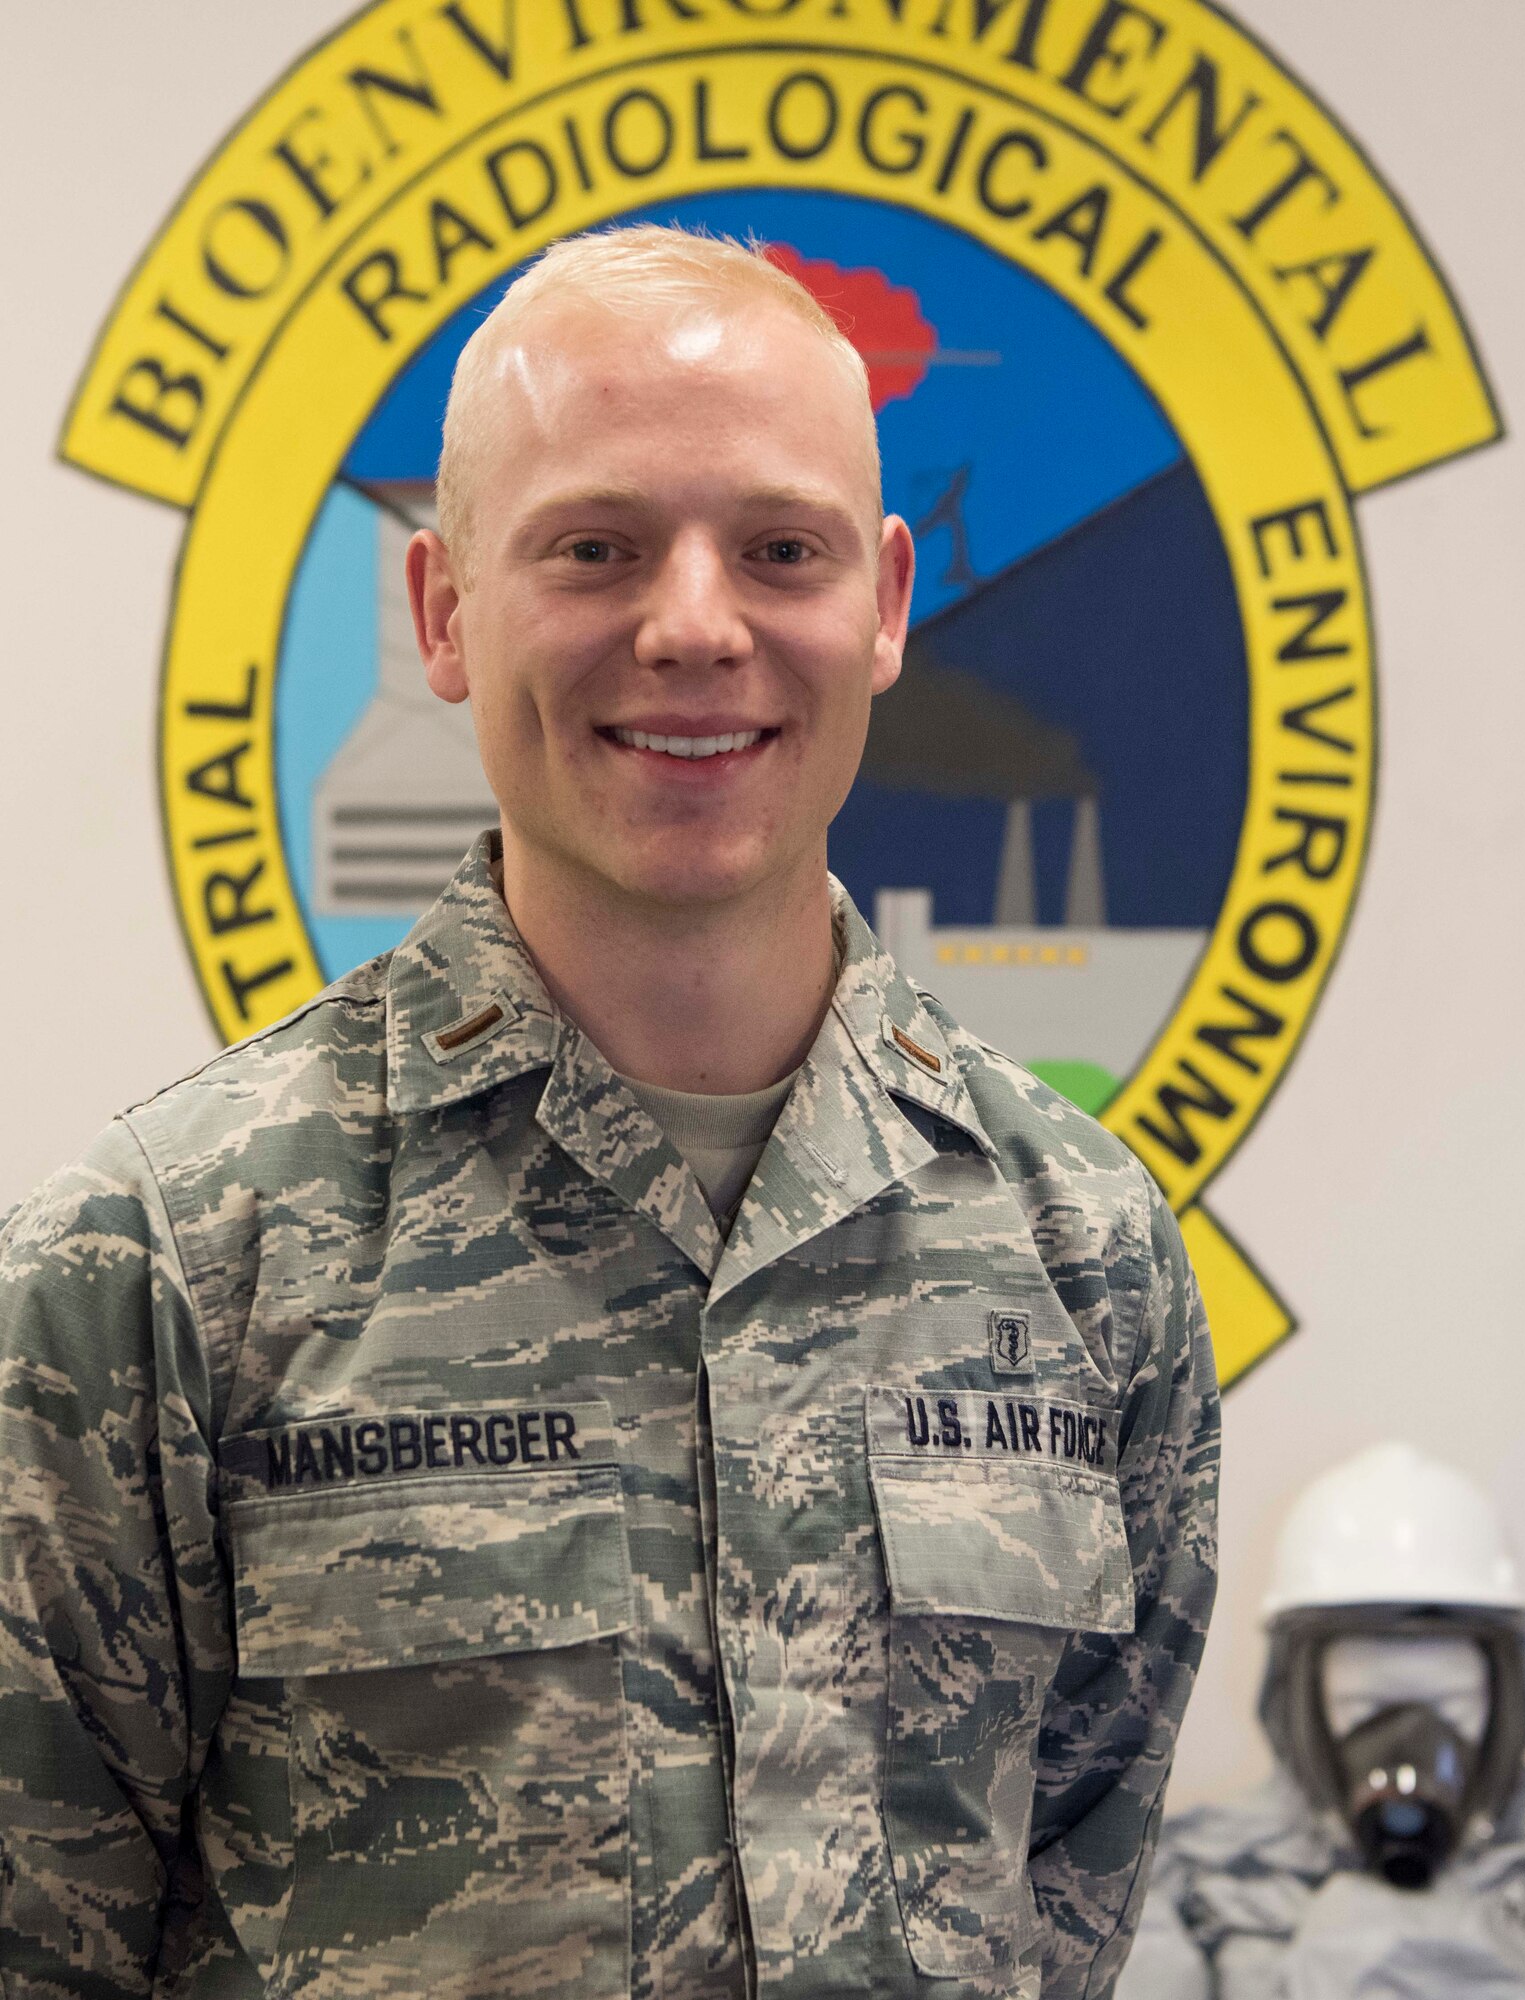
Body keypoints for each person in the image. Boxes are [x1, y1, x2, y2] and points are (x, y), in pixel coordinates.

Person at [0, 224, 1219, 1998]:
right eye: (598, 546)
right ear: (441, 610)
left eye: (779, 549)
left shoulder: (1082, 1254)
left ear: (882, 605)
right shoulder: (164, 1267)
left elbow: (1067, 1913)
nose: (698, 624)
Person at [1118, 1442, 1525, 2000]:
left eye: (1451, 1704)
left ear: (1510, 1697)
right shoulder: (1190, 1878)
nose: (1410, 1743)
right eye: (1366, 1707)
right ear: (1299, 1702)